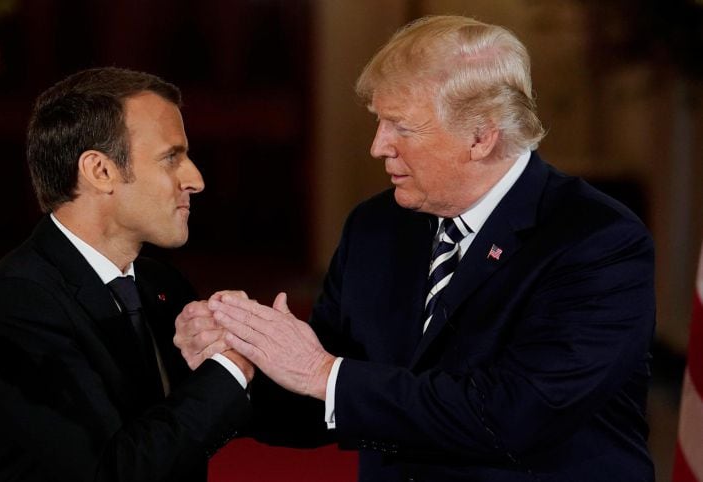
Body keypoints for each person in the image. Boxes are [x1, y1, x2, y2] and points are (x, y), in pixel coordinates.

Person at [175, 15, 656, 482]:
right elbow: (326, 400)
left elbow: (515, 416)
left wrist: (321, 372)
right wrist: (239, 364)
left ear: (481, 137)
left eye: (401, 127)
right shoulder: (375, 226)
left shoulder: (597, 240)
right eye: (379, 121)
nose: (378, 146)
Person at [0, 67, 254, 482]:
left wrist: (273, 348)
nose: (196, 179)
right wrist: (230, 366)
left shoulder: (161, 285)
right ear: (100, 171)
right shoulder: (12, 302)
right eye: (172, 157)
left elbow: (208, 420)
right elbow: (111, 472)